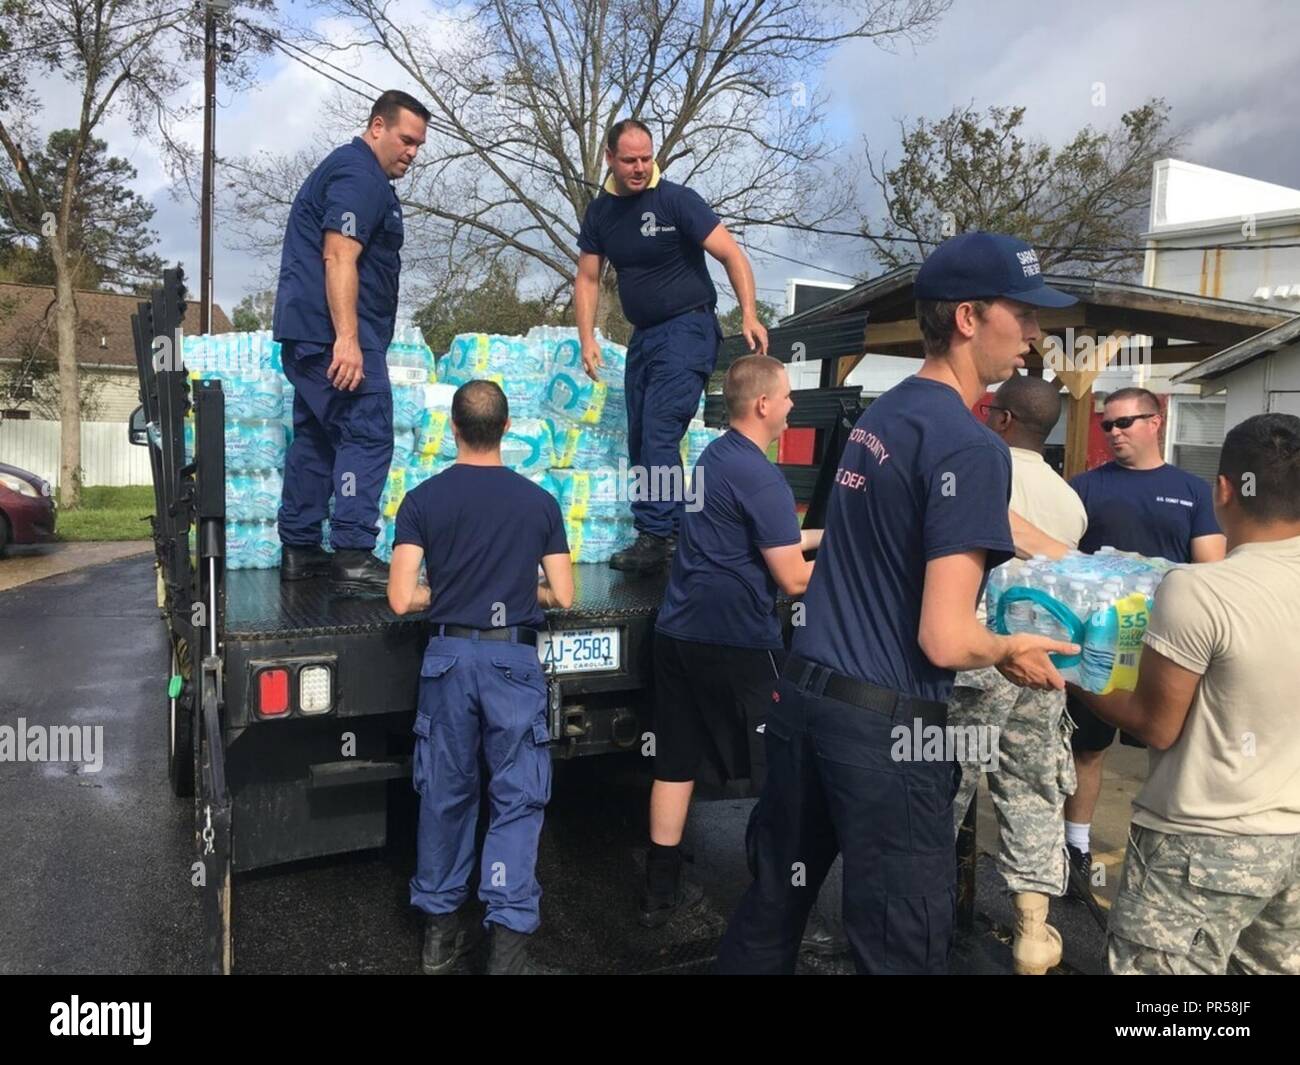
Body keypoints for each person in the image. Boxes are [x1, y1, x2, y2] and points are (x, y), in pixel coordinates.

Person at [716, 232, 1078, 974]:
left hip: (804, 699)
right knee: (901, 946)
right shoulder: (972, 447)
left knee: (771, 908)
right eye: (1024, 314)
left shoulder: (885, 417)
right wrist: (1009, 648)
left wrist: (1062, 554)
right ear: (971, 317)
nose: (1036, 336)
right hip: (884, 733)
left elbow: (933, 517)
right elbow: (945, 638)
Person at [1069, 413, 1300, 974]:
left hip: (1199, 840)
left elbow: (1154, 722)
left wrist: (1074, 671)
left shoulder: (1199, 589)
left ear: (1224, 490)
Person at [387, 380, 574, 975]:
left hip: (447, 660)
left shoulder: (422, 498)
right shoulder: (539, 501)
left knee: (446, 793)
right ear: (507, 427)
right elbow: (563, 594)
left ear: (454, 428)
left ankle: (441, 937)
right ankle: (508, 951)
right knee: (517, 799)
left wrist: (447, 592)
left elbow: (398, 598)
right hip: (512, 663)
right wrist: (521, 589)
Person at [643, 355, 822, 928]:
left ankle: (659, 891)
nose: (793, 406)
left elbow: (768, 533)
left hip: (678, 633)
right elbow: (792, 577)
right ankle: (779, 899)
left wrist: (833, 534)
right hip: (737, 641)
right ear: (764, 404)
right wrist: (858, 564)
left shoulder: (716, 457)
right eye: (788, 397)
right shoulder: (761, 474)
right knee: (783, 767)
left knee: (675, 761)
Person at [574, 118, 768, 572]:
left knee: (661, 431)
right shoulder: (601, 212)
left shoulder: (676, 200)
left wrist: (750, 313)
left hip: (688, 331)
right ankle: (678, 530)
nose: (640, 167)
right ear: (610, 158)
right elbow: (586, 278)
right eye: (630, 160)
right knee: (641, 438)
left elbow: (731, 254)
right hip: (644, 337)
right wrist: (587, 337)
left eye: (647, 157)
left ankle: (656, 537)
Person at [947, 373, 1088, 975]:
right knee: (1032, 790)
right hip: (1045, 660)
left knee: (942, 785)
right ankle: (1033, 933)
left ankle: (917, 925)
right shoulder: (1070, 500)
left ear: (1002, 419)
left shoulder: (975, 470)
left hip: (980, 649)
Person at [1062, 386, 1226, 898]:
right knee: (1086, 750)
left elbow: (1212, 569)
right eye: (1107, 425)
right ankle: (1075, 848)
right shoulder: (1083, 487)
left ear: (1156, 422)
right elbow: (1059, 564)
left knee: (1169, 752)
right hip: (1100, 647)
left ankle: (1165, 859)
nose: (1113, 433)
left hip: (1170, 649)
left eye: (1125, 423)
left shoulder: (1192, 490)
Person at [274, 90, 428, 595]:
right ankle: (353, 556)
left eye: (419, 145)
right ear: (377, 126)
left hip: (310, 334)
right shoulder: (359, 174)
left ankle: (300, 548)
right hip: (333, 335)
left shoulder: (355, 173)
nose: (412, 151)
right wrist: (348, 339)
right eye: (406, 139)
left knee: (318, 439)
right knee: (366, 432)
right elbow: (338, 256)